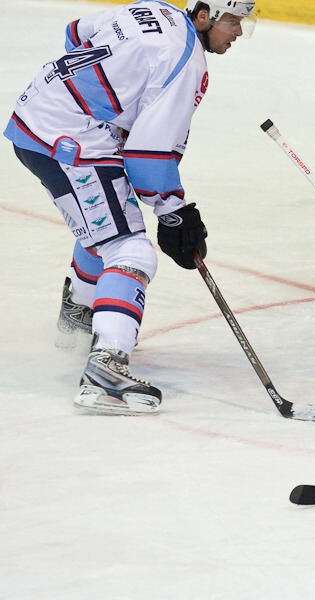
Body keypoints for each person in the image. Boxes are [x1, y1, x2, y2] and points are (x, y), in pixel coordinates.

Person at [4, 1, 256, 416]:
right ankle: (106, 369)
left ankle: (79, 317)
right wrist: (174, 212)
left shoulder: (153, 8)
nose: (239, 33)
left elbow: (75, 33)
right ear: (205, 15)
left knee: (105, 229)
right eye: (232, 22)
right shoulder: (186, 61)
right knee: (131, 250)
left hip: (36, 117)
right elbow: (148, 153)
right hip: (73, 139)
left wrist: (111, 98)